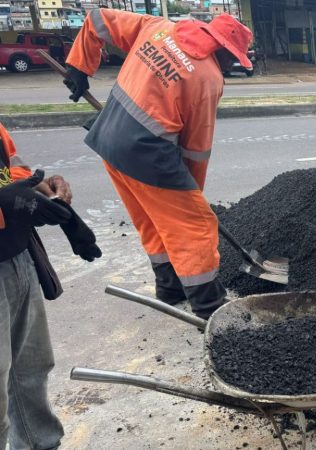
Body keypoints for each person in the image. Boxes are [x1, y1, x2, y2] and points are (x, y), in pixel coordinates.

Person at [62, 11, 253, 318]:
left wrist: (79, 65)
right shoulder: (208, 78)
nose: (232, 65)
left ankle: (170, 289)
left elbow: (98, 19)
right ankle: (210, 309)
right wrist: (192, 194)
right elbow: (196, 148)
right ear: (222, 50)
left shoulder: (159, 28)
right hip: (146, 153)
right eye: (234, 58)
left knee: (151, 220)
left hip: (108, 136)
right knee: (195, 226)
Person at [0, 122, 99, 449]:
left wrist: (38, 187)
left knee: (30, 369)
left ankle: (41, 444)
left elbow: (9, 164)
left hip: (16, 258)